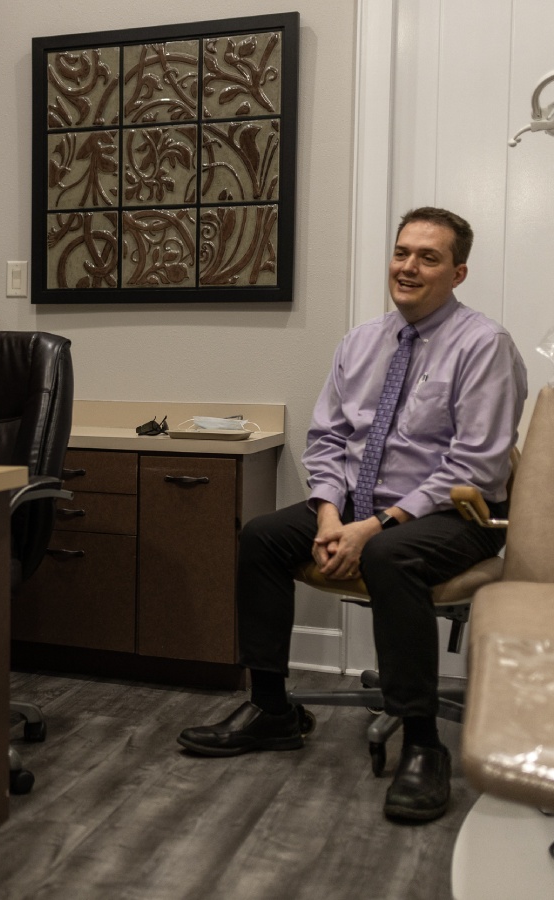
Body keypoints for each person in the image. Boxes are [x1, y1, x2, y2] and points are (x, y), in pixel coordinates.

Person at [177, 207, 527, 824]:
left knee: (392, 554)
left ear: (458, 272)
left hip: (455, 511)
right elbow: (327, 440)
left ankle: (423, 742)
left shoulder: (484, 345)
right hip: (357, 507)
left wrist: (375, 526)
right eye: (401, 253)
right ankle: (272, 709)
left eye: (428, 257)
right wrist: (330, 514)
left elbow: (476, 464)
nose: (408, 267)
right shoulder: (361, 342)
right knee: (261, 536)